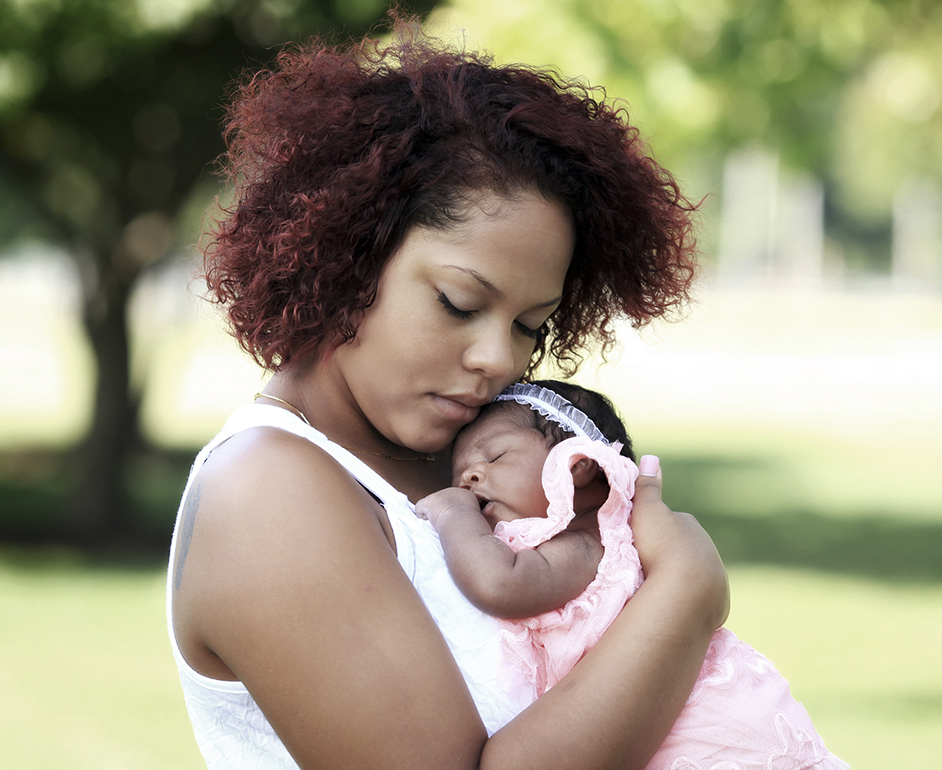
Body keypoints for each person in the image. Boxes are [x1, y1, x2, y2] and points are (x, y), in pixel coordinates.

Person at [166, 16, 729, 770]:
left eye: (533, 325)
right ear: (349, 255)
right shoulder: (268, 494)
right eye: (458, 304)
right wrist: (685, 600)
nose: (499, 359)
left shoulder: (470, 462)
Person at [418, 381, 849, 769]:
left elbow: (500, 583)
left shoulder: (592, 546)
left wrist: (454, 512)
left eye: (495, 456)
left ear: (576, 464)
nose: (470, 477)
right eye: (460, 477)